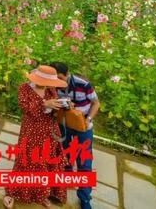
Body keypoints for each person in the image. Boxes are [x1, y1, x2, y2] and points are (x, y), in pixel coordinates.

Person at [3, 65, 68, 209]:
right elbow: (25, 107)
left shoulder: (51, 90)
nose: (45, 85)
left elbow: (54, 113)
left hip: (49, 131)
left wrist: (61, 106)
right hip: (31, 130)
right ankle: (12, 193)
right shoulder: (24, 89)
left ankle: (42, 194)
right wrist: (44, 103)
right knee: (25, 160)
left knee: (44, 162)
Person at [51, 61, 100, 209]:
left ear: (67, 74)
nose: (57, 81)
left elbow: (96, 103)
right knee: (64, 156)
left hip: (82, 126)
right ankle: (65, 184)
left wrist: (88, 120)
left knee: (84, 161)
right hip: (64, 125)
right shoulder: (51, 84)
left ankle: (85, 198)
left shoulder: (83, 84)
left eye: (59, 77)